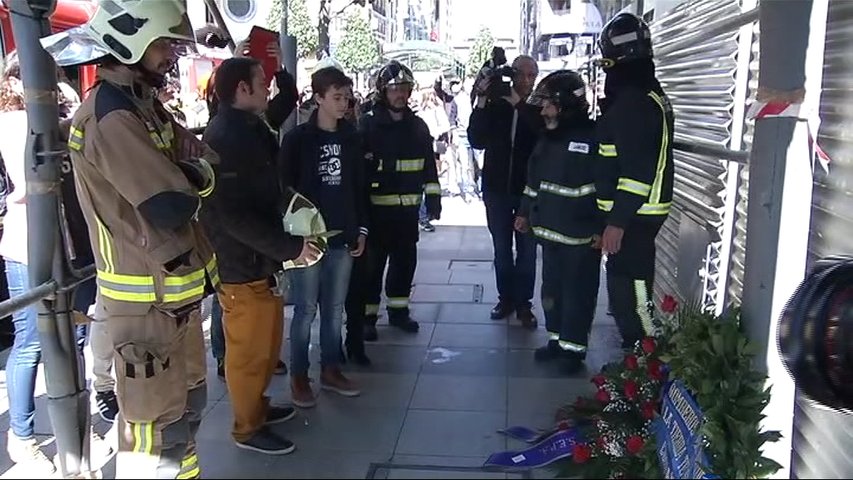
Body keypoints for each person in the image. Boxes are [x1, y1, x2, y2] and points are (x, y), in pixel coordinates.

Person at [42, 1, 219, 477]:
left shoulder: (140, 106)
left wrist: (191, 172)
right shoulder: (112, 117)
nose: (171, 55)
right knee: (153, 434)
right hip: (146, 311)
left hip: (169, 301)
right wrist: (193, 177)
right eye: (163, 43)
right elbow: (170, 204)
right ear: (129, 42)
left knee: (184, 416)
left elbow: (204, 159)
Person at [201, 57, 311, 455]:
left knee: (265, 344)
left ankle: (258, 407)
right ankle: (247, 428)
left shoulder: (246, 126)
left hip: (259, 260)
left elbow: (276, 117)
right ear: (242, 90)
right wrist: (290, 247)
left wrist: (285, 80)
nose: (267, 87)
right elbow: (231, 215)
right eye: (261, 81)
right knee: (248, 351)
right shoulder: (227, 135)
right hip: (240, 263)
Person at [279, 66, 367, 406]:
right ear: (318, 98)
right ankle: (299, 375)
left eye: (347, 97)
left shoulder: (352, 137)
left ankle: (331, 367)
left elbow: (359, 187)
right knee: (305, 309)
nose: (343, 104)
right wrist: (290, 236)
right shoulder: (298, 139)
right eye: (336, 97)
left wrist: (361, 228)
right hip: (307, 239)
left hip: (342, 235)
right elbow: (283, 188)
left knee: (334, 307)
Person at [594, 13, 675, 349]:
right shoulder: (642, 96)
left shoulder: (633, 103)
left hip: (635, 219)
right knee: (623, 291)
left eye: (606, 61)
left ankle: (647, 363)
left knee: (636, 296)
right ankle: (635, 360)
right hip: (634, 217)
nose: (605, 70)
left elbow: (637, 173)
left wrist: (616, 222)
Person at [516, 71, 601, 375]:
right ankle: (556, 341)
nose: (543, 111)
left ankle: (573, 350)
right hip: (550, 234)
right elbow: (533, 182)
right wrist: (524, 213)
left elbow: (605, 188)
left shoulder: (593, 139)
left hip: (580, 238)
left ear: (566, 105)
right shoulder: (548, 139)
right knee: (551, 292)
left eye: (549, 105)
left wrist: (602, 228)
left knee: (578, 295)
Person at [359, 60, 442, 341]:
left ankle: (399, 311)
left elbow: (429, 167)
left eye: (405, 89)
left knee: (404, 264)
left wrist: (433, 200)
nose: (401, 95)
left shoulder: (418, 127)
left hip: (407, 214)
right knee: (372, 269)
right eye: (395, 89)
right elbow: (360, 169)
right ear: (383, 91)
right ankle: (367, 318)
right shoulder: (368, 125)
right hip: (376, 213)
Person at [468, 55, 542, 328]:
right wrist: (483, 99)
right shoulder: (496, 105)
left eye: (531, 75)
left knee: (527, 250)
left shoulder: (538, 105)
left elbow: (541, 133)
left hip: (527, 191)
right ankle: (506, 299)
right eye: (521, 74)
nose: (527, 80)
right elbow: (476, 139)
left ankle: (524, 304)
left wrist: (518, 104)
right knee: (501, 248)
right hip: (497, 189)